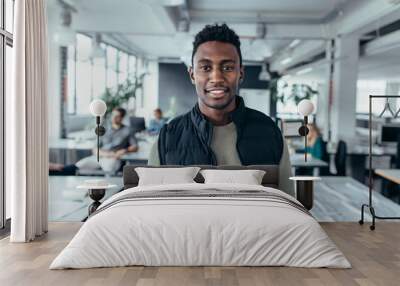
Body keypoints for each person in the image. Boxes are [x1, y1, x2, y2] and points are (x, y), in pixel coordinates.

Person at [147, 23, 294, 196]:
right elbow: (152, 206)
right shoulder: (168, 137)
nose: (216, 78)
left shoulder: (269, 132)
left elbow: (288, 203)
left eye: (227, 68)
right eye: (206, 68)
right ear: (192, 75)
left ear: (241, 73)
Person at [75, 107, 138, 173]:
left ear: (122, 118)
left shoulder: (128, 130)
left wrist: (125, 150)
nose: (114, 118)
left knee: (109, 169)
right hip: (101, 156)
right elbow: (95, 149)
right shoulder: (104, 129)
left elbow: (135, 147)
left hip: (114, 159)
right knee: (80, 165)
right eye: (113, 115)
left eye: (117, 116)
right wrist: (106, 154)